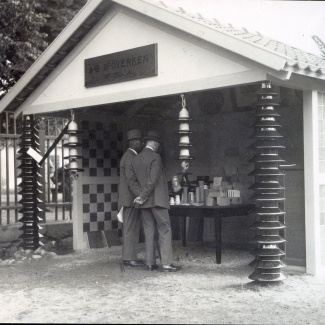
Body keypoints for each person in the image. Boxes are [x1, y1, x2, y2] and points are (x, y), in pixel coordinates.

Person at [128, 130, 181, 272]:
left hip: (143, 202)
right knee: (164, 229)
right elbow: (153, 181)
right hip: (157, 200)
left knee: (149, 231)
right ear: (155, 143)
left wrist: (140, 196)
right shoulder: (156, 157)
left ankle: (150, 263)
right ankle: (166, 263)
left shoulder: (135, 159)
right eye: (158, 144)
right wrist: (144, 195)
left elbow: (132, 181)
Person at [118, 129, 144, 267]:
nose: (140, 143)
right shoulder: (131, 157)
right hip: (130, 199)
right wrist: (141, 195)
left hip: (127, 198)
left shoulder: (127, 156)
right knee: (131, 229)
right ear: (133, 142)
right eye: (138, 141)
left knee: (130, 228)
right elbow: (131, 180)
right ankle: (130, 258)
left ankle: (129, 257)